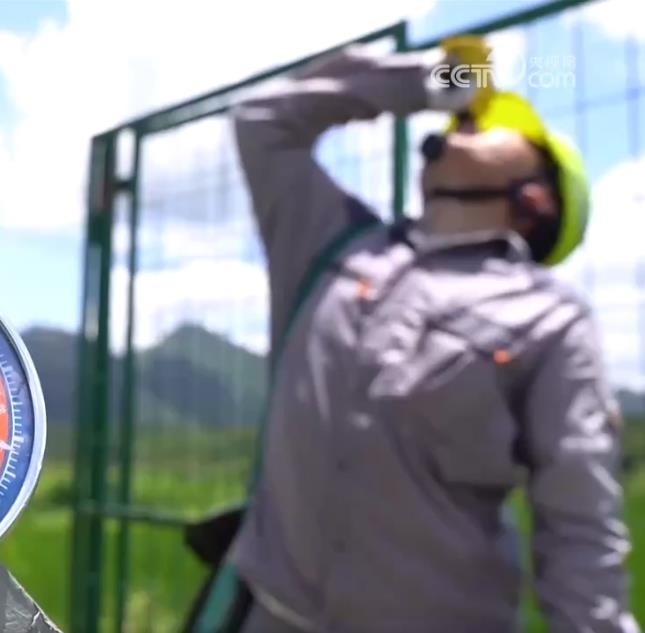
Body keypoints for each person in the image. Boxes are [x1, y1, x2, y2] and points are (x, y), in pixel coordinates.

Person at [206, 39, 638, 633]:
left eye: (501, 130)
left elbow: (578, 521)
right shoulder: (331, 244)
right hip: (273, 613)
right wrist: (434, 80)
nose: (472, 122)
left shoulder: (550, 318)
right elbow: (265, 120)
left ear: (536, 199)